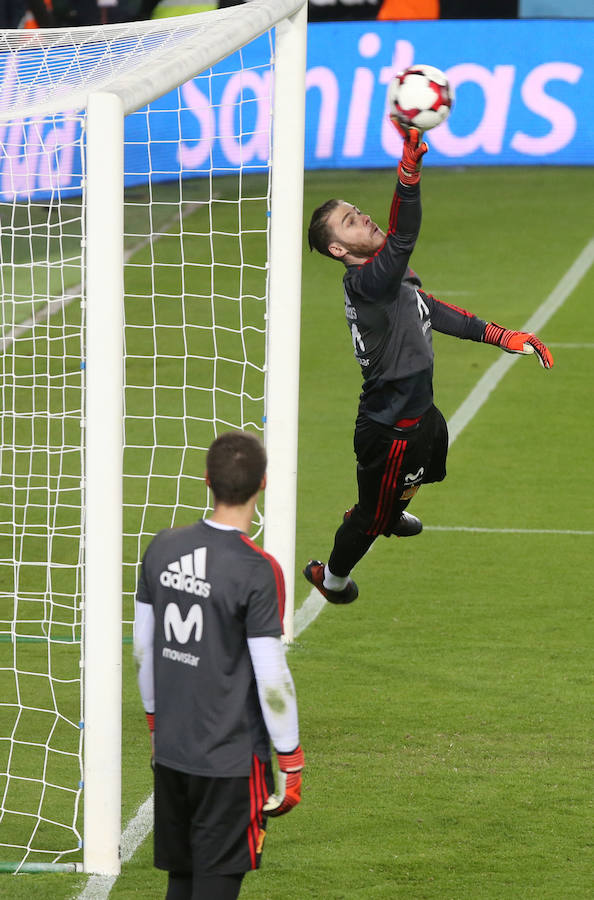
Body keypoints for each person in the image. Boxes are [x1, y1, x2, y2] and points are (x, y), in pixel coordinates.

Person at [304, 126, 553, 605]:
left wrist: (499, 335)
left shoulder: (390, 276)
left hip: (420, 416)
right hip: (389, 427)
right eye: (351, 222)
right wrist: (409, 175)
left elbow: (429, 308)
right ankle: (331, 578)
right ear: (339, 249)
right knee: (369, 521)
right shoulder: (367, 282)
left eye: (359, 212)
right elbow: (404, 236)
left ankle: (392, 506)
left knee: (432, 459)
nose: (365, 219)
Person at [134, 430, 304, 900]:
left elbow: (144, 649)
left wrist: (155, 724)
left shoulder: (162, 547)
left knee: (181, 882)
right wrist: (290, 759)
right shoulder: (257, 569)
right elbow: (272, 678)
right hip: (230, 762)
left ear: (207, 480)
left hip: (172, 752)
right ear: (263, 483)